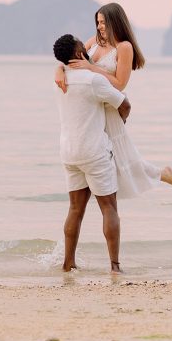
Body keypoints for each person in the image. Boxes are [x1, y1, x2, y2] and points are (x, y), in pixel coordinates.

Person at [55, 3, 172, 197]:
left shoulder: (124, 47)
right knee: (118, 158)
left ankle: (160, 175)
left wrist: (91, 69)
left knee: (124, 158)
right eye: (98, 22)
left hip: (111, 106)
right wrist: (58, 70)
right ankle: (160, 174)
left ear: (115, 22)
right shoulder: (94, 42)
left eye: (104, 22)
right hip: (93, 108)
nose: (100, 27)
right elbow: (70, 60)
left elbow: (120, 84)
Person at [52, 33, 130, 274]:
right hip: (94, 151)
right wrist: (121, 124)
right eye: (80, 45)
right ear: (77, 53)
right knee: (109, 208)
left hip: (69, 152)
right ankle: (115, 266)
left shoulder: (61, 79)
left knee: (75, 209)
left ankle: (68, 263)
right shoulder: (93, 80)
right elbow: (124, 104)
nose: (85, 46)